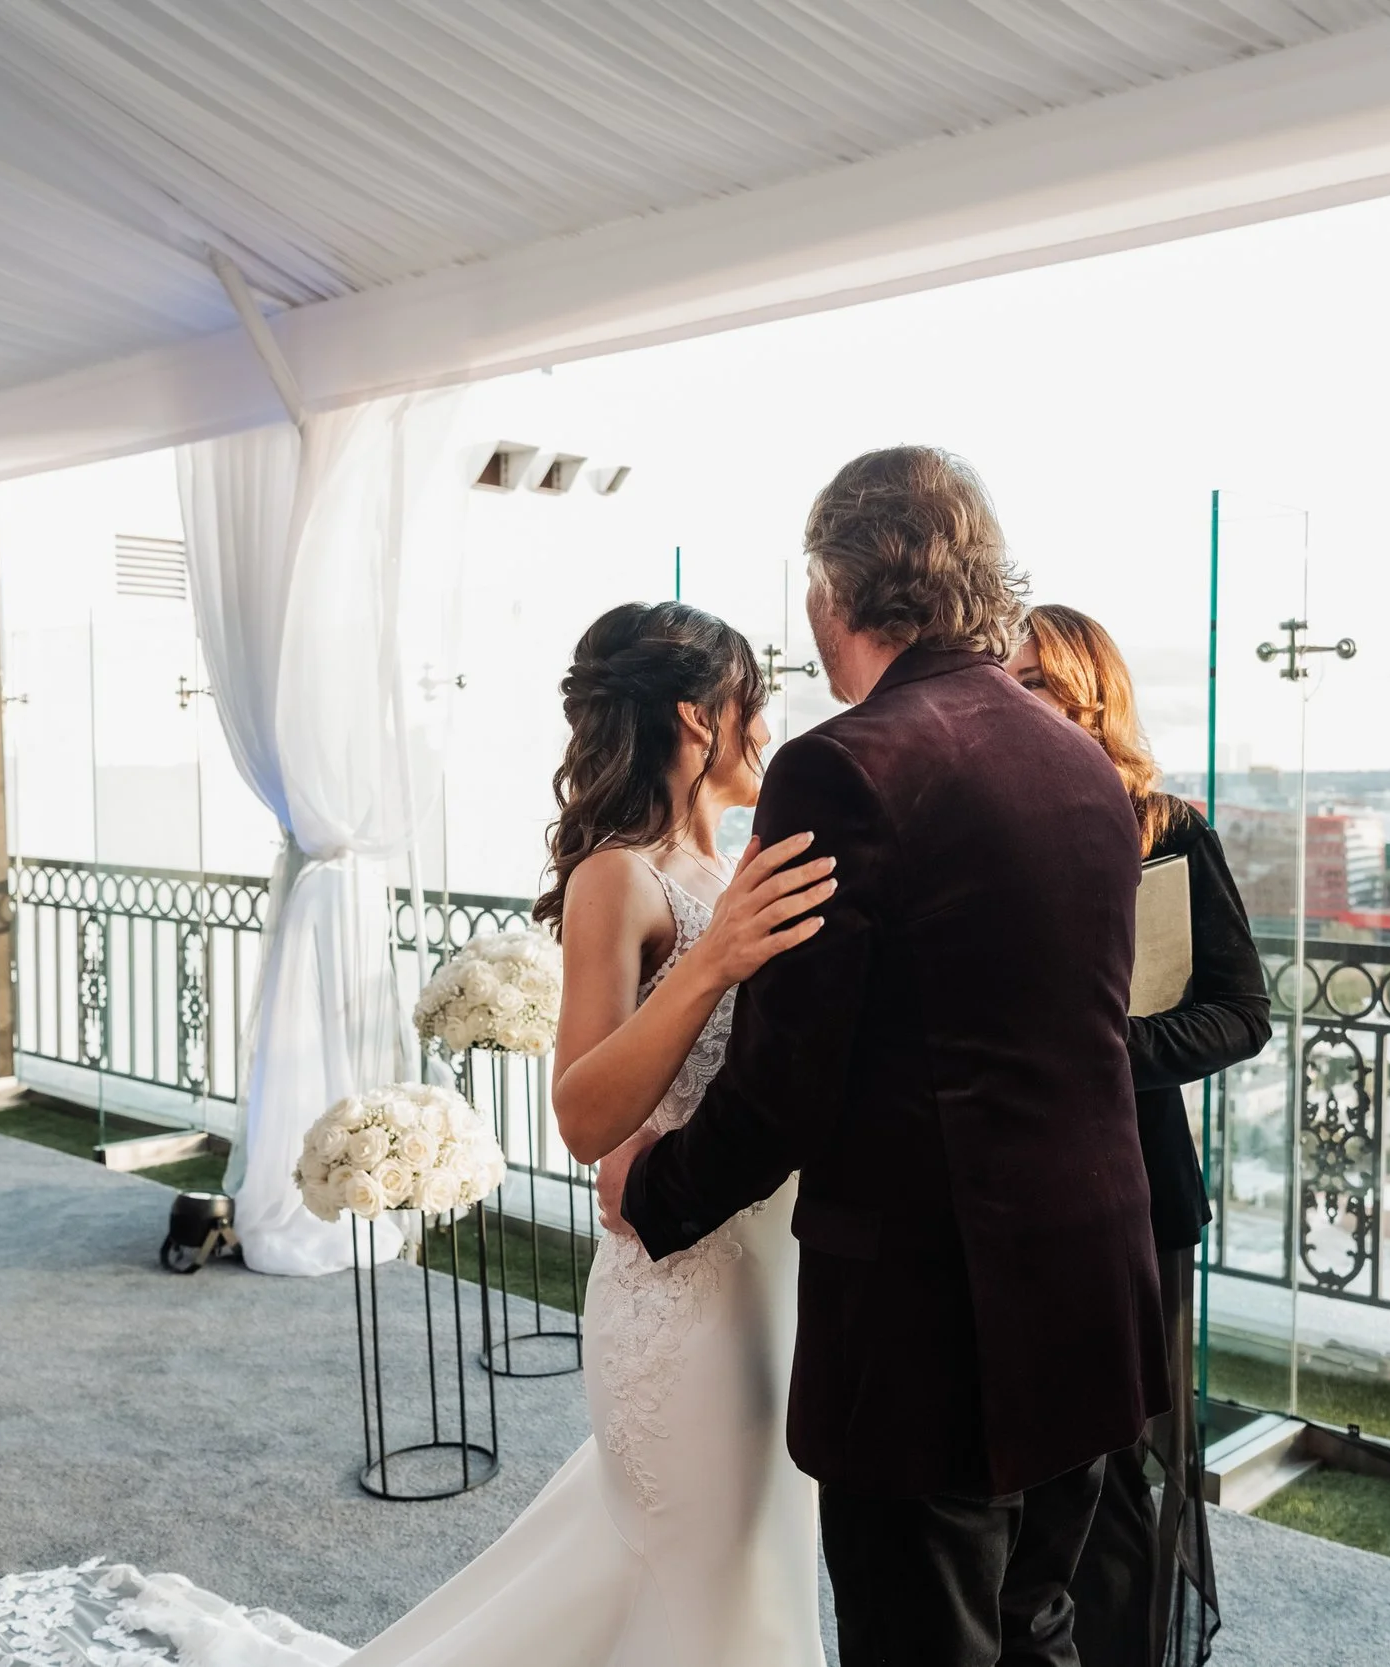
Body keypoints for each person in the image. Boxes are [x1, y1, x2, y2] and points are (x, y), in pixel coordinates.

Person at [126, 600, 839, 1666]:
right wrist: (716, 960)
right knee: (707, 1583)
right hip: (682, 1294)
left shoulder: (727, 875)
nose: (768, 725)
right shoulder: (619, 877)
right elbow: (583, 1115)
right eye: (755, 699)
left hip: (773, 1274)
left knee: (752, 1566)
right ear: (699, 715)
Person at [610, 448, 1167, 1667]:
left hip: (935, 1324)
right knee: (1038, 1626)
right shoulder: (1078, 758)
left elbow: (786, 1081)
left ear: (833, 587)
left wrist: (652, 1185)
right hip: (1091, 1284)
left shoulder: (842, 764)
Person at [1005, 604, 1272, 1667]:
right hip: (1008, 1189)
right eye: (1004, 677)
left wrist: (1100, 1048)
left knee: (1117, 1463)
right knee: (1028, 1464)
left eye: (1034, 680)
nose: (1011, 695)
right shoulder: (981, 825)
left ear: (1091, 698)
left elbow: (1241, 1013)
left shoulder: (1166, 827)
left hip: (1137, 1188)